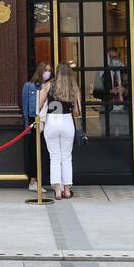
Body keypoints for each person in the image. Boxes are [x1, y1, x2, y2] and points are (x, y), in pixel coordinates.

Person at [40, 62, 83, 199]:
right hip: (67, 121)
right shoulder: (74, 87)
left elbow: (38, 104)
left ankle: (57, 191)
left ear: (56, 72)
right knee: (66, 156)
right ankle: (67, 190)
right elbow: (77, 111)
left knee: (54, 157)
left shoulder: (48, 85)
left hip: (52, 121)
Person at [21, 61, 51, 192]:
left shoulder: (50, 85)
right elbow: (25, 107)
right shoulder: (29, 86)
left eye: (49, 70)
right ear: (40, 71)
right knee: (35, 152)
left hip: (49, 122)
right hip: (35, 122)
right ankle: (33, 180)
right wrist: (27, 126)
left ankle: (43, 180)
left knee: (45, 152)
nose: (48, 73)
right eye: (46, 70)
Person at [96, 48, 127, 137]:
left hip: (123, 112)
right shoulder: (102, 73)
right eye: (111, 57)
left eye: (115, 57)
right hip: (108, 112)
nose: (114, 60)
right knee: (108, 139)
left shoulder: (125, 71)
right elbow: (96, 92)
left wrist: (125, 90)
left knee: (124, 139)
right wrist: (109, 91)